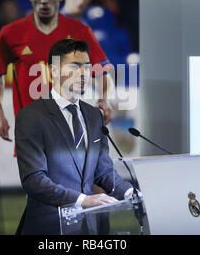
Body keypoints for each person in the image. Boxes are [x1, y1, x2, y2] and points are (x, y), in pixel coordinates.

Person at [15, 38, 134, 235]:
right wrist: (82, 200)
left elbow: (103, 172)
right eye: (75, 66)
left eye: (87, 68)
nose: (83, 74)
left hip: (89, 227)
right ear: (53, 71)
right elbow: (34, 179)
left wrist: (130, 192)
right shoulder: (31, 116)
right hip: (49, 228)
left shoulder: (94, 116)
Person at [0, 0, 114, 144]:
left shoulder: (80, 31)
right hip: (31, 136)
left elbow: (102, 70)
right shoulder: (10, 34)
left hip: (72, 138)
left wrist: (104, 99)